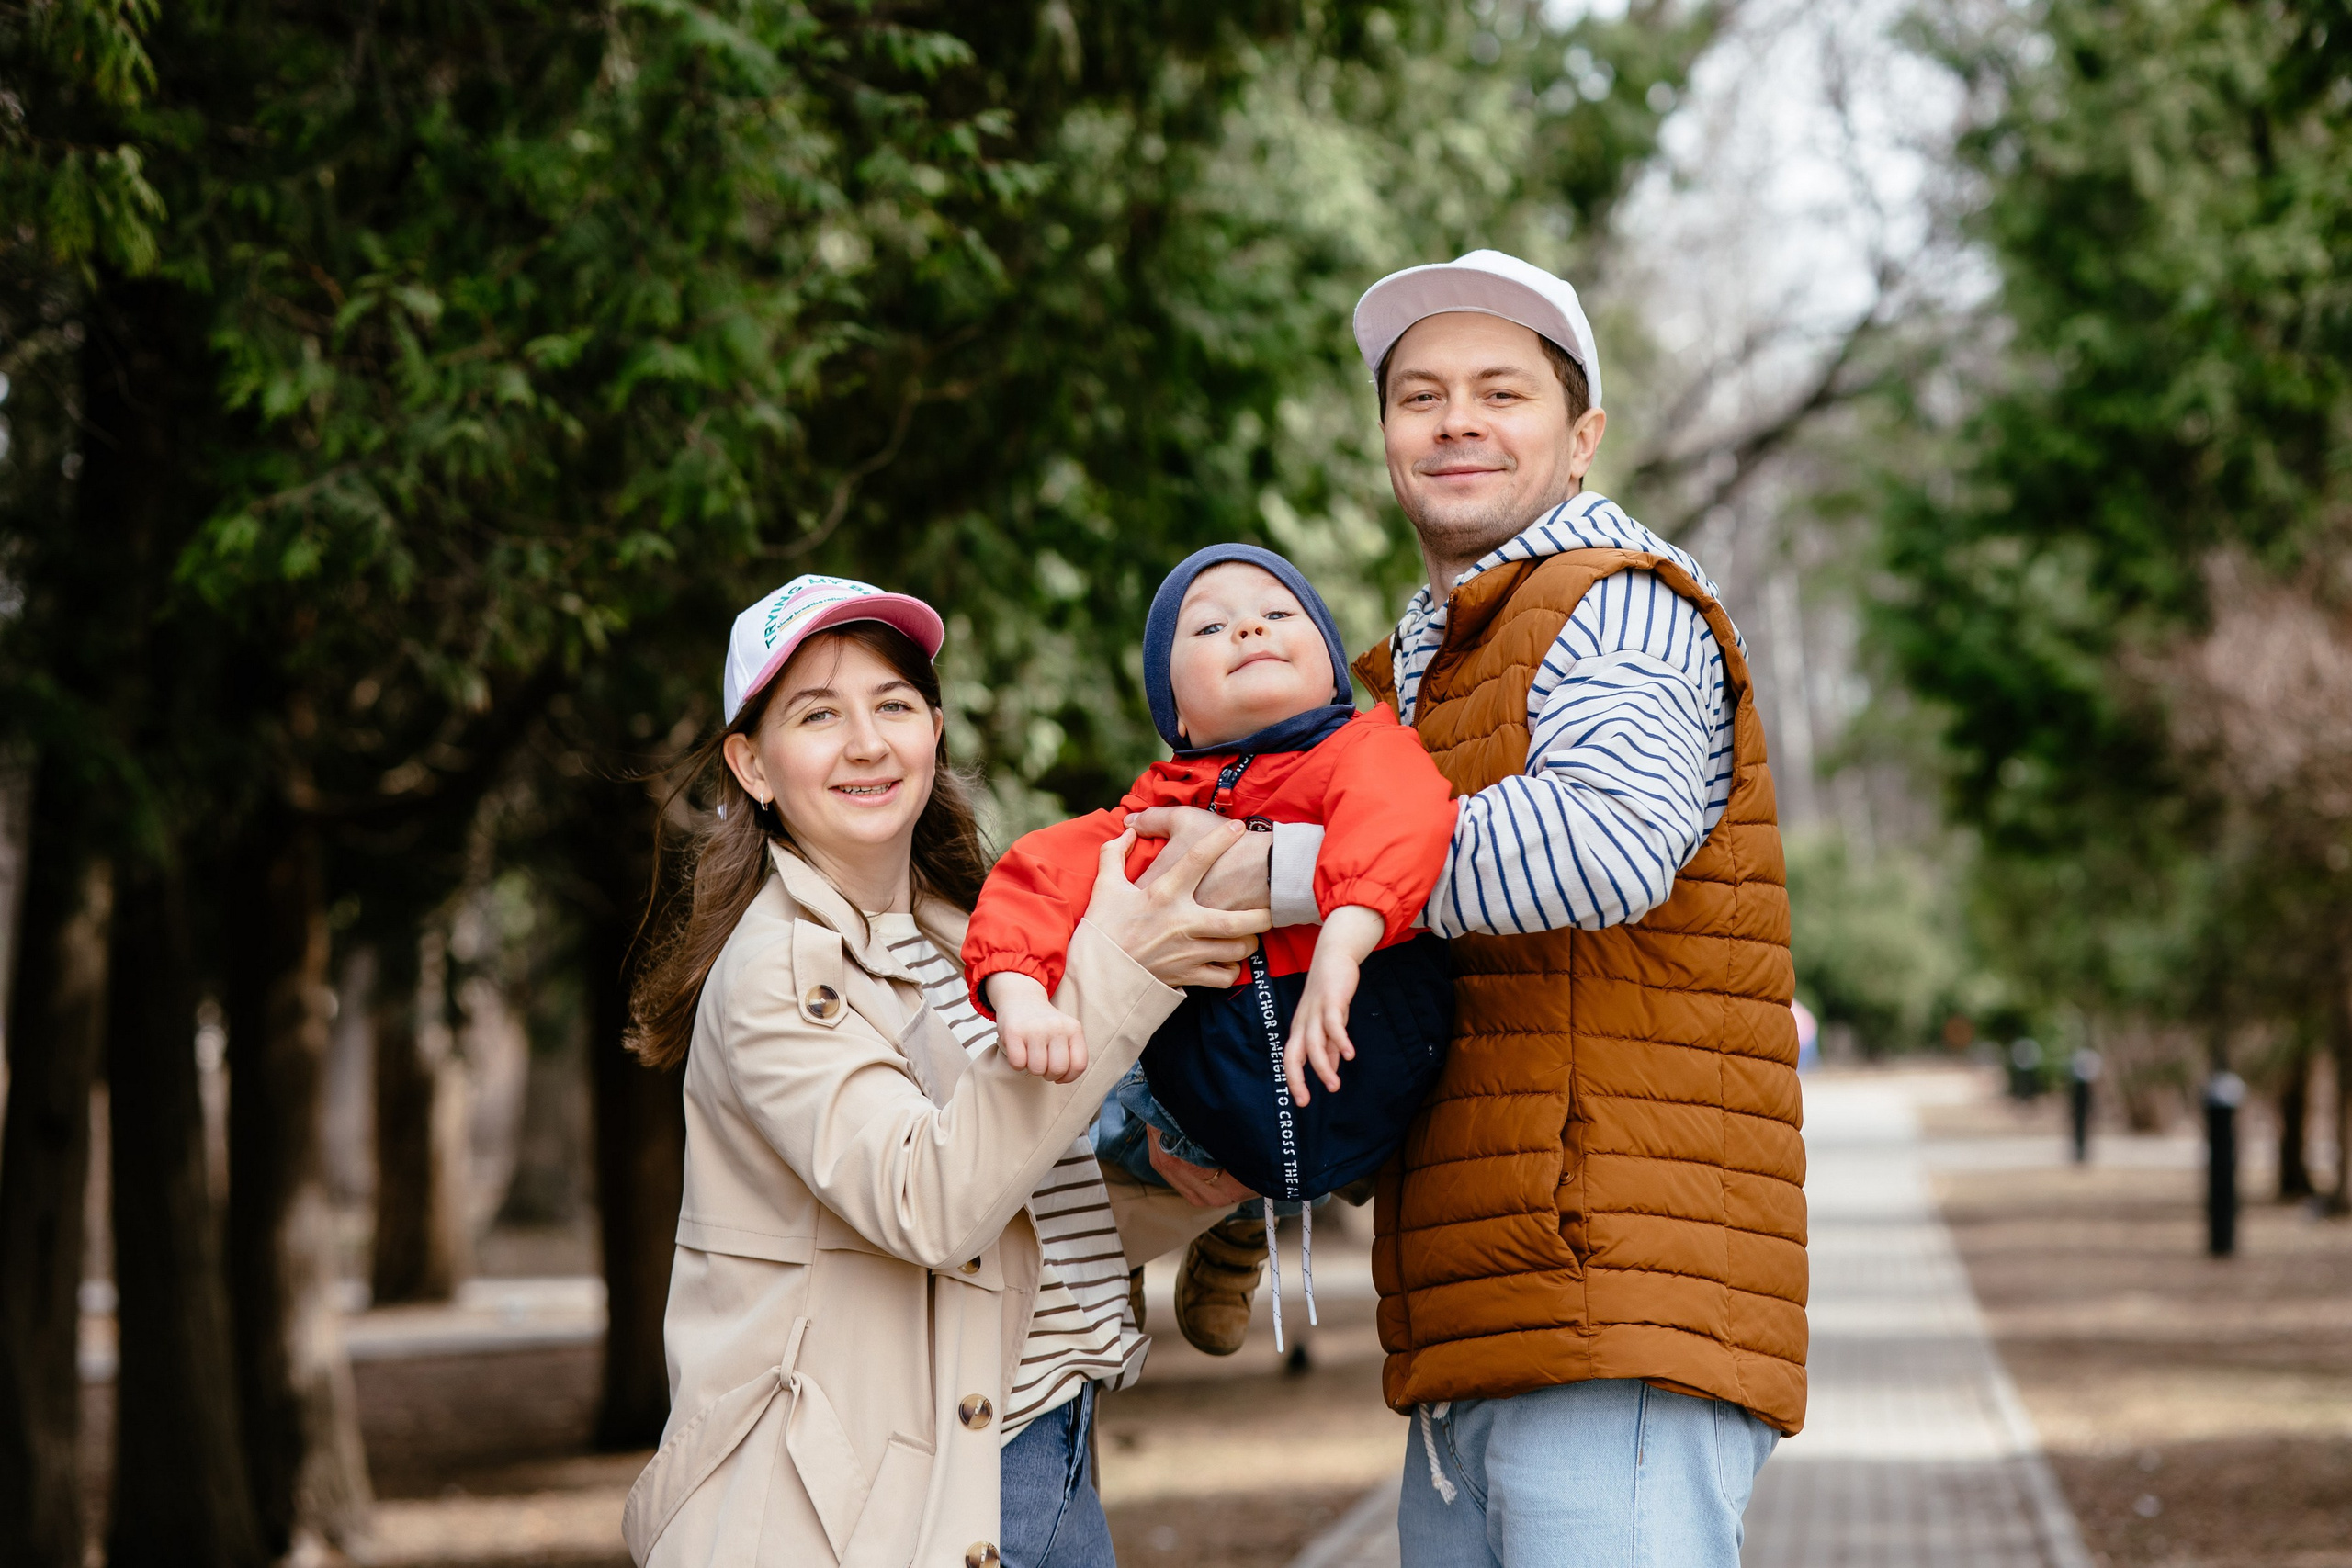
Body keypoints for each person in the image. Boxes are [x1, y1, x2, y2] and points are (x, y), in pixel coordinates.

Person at [1131, 251, 1808, 1568]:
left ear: (1582, 433)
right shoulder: (1411, 672)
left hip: (1611, 1293)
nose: (1455, 421)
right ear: (1385, 435)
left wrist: (1276, 870)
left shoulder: (1613, 602)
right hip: (1476, 1308)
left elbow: (1606, 840)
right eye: (1420, 394)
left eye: (1501, 390)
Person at [617, 574, 1267, 1568]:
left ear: (933, 730)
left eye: (893, 705)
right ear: (751, 764)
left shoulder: (957, 932)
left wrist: (1196, 1191)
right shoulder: (782, 972)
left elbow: (1012, 1212)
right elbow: (930, 1203)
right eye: (818, 714)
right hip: (878, 1509)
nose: (867, 742)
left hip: (1041, 1448)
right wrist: (1124, 969)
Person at [961, 545, 1458, 1350]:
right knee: (1096, 1105)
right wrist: (1017, 987)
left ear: (1334, 675)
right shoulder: (1160, 807)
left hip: (1347, 1045)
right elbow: (1040, 875)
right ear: (1177, 715)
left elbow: (1403, 818)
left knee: (1315, 1090)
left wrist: (1345, 936)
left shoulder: (1366, 748)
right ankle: (1113, 1237)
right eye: (1212, 626)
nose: (1250, 625)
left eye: (1277, 612)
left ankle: (1236, 1226)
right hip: (1206, 1080)